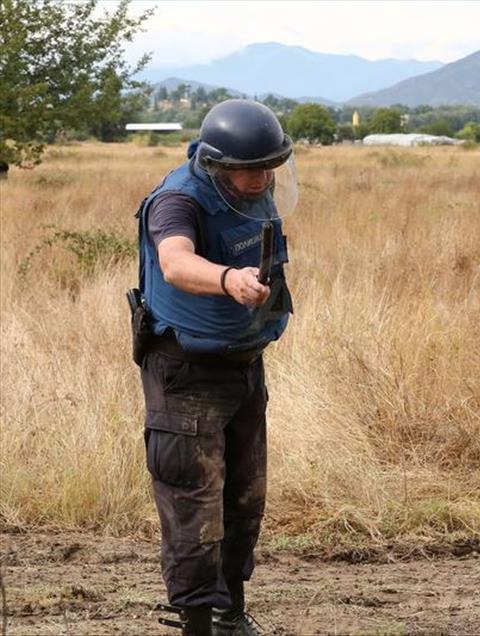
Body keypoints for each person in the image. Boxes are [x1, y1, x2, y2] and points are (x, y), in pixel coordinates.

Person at [132, 99, 297, 636]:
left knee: (244, 499)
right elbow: (176, 262)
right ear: (217, 165)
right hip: (186, 371)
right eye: (248, 169)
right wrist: (229, 280)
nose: (260, 178)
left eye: (268, 166)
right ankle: (197, 624)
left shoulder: (258, 189)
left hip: (244, 364)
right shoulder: (177, 201)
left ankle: (231, 613)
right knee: (193, 508)